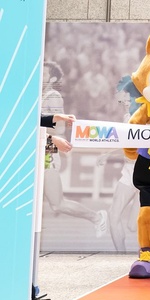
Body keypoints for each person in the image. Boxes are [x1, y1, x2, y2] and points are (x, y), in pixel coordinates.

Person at [41, 61, 108, 238]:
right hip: (37, 146)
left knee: (57, 204)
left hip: (47, 149)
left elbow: (60, 129)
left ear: (52, 79)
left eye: (44, 74)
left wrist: (38, 130)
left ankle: (97, 217)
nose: (40, 77)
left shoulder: (53, 96)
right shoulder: (37, 96)